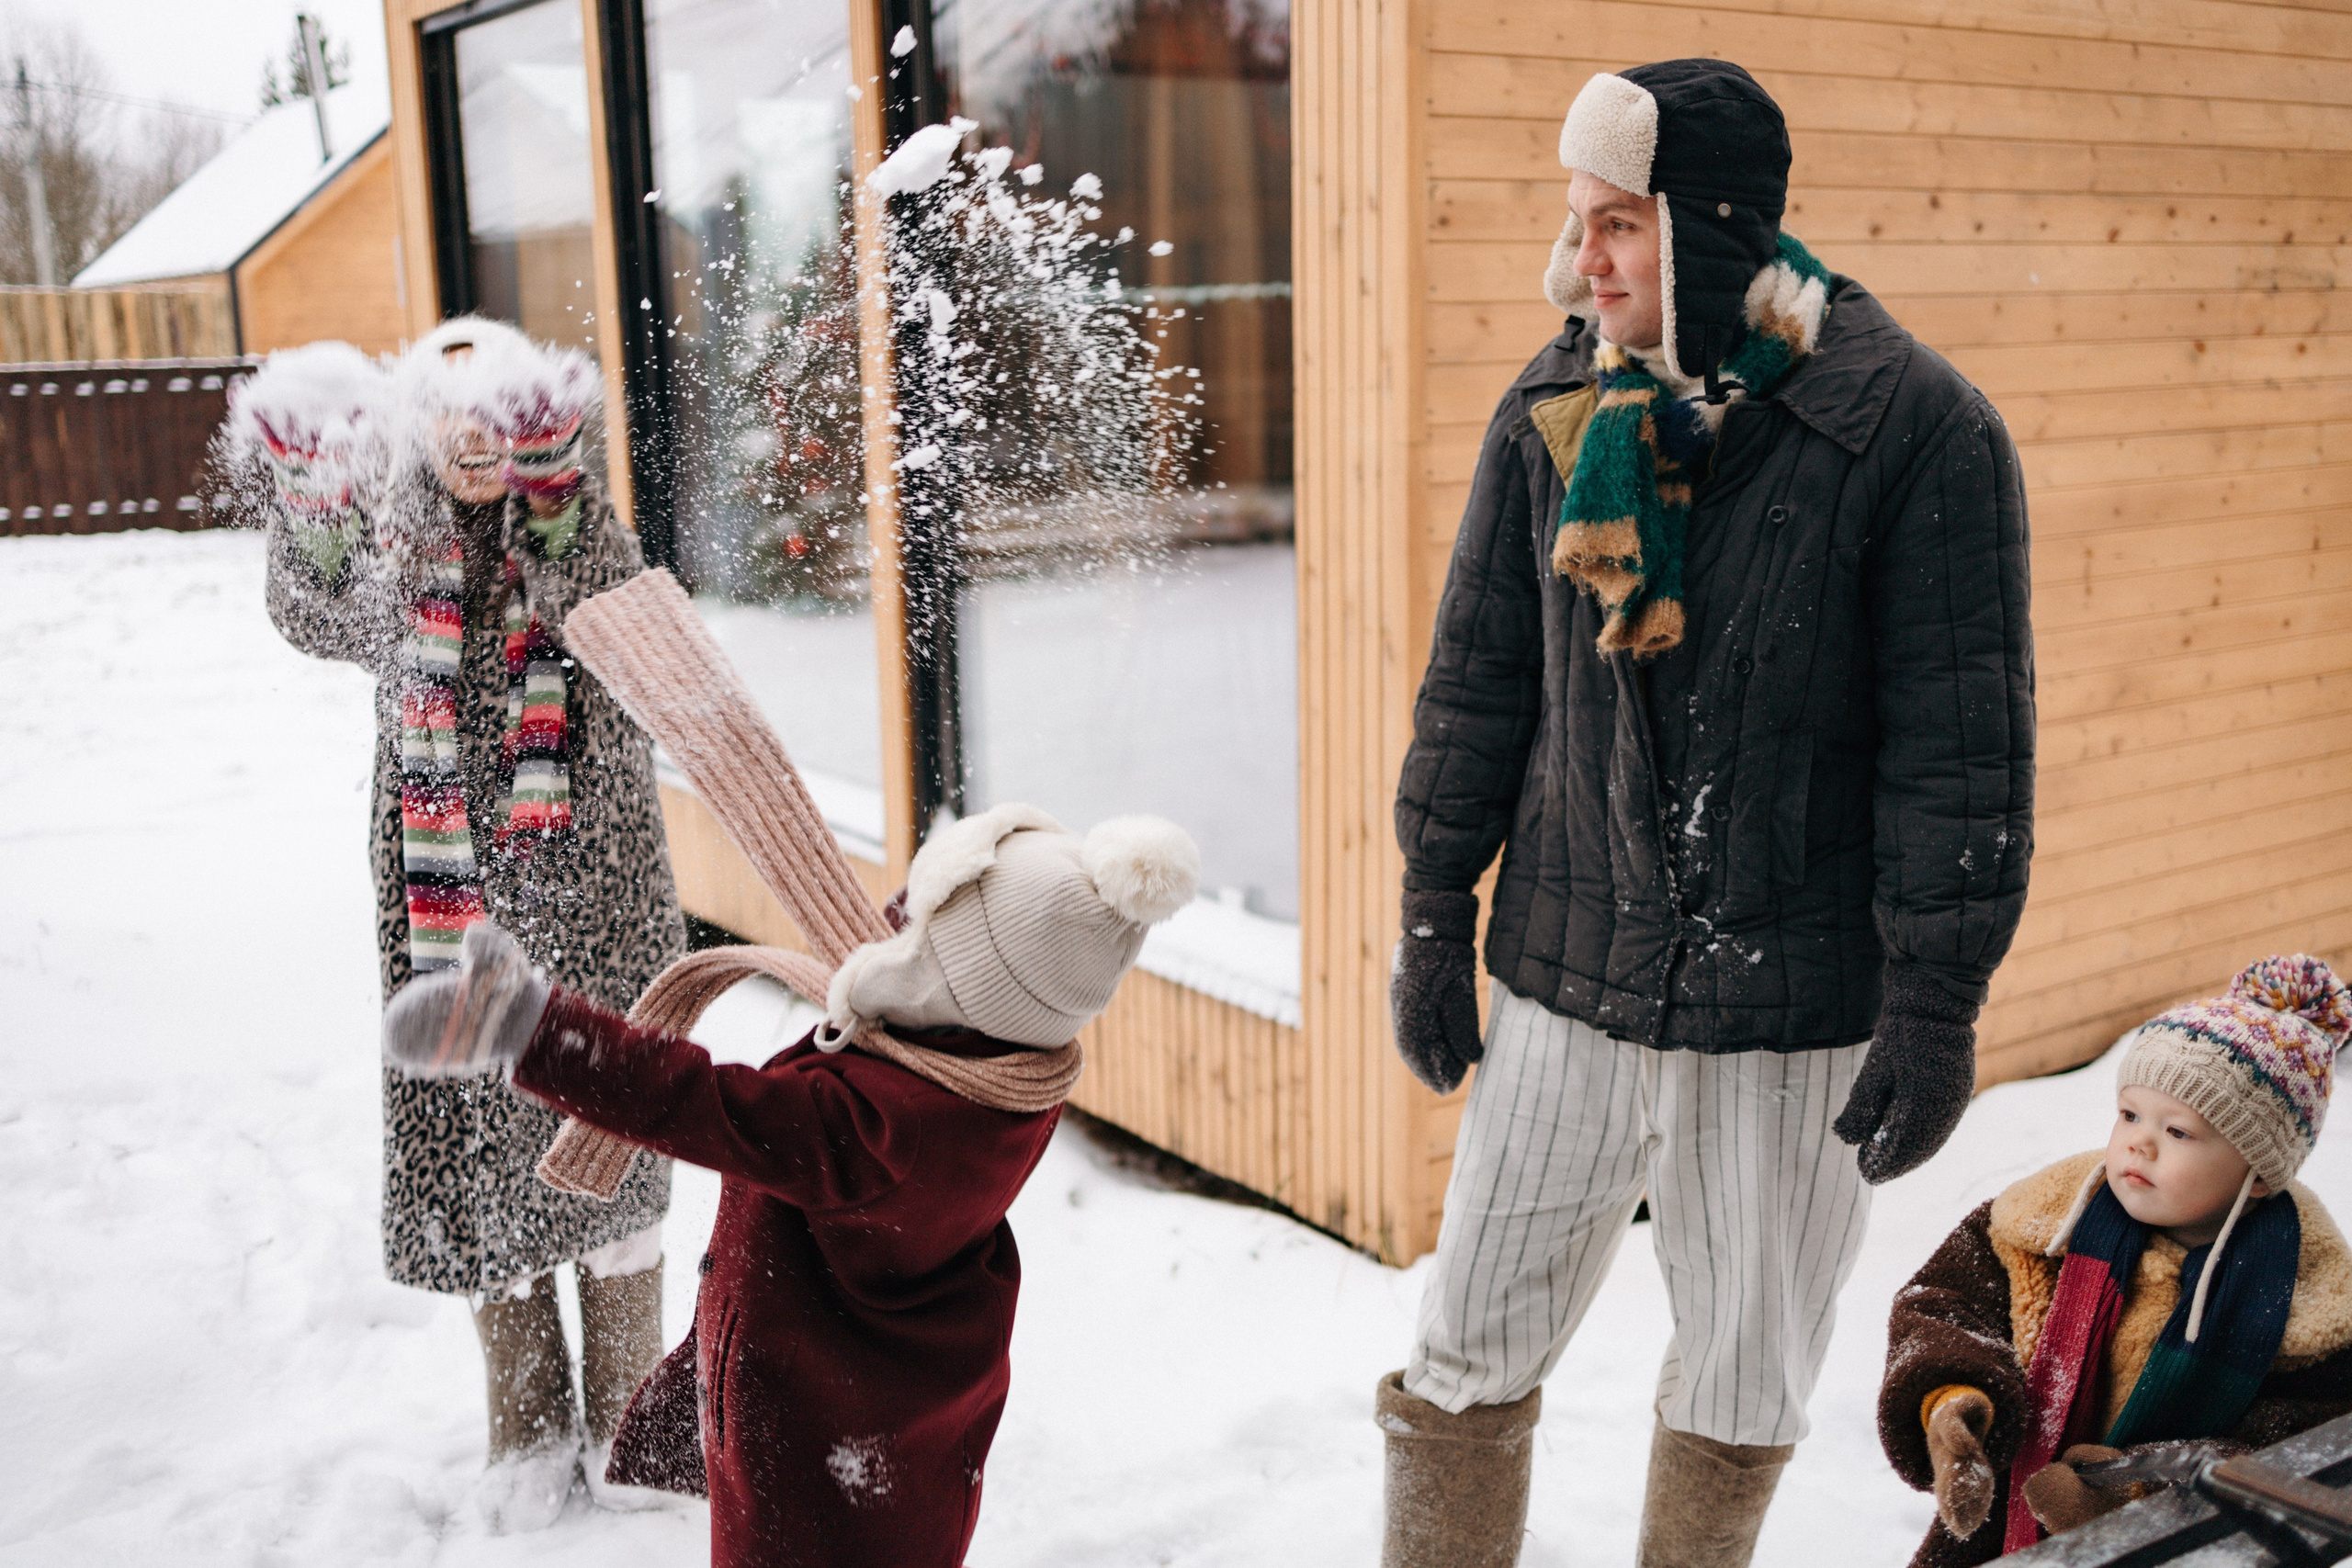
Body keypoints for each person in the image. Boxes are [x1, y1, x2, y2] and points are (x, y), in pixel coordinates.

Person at [1377, 59, 2036, 1567]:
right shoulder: (1555, 404)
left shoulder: (1914, 430)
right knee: (1466, 1344)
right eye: (1576, 217)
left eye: (1619, 222)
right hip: (1567, 967)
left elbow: (1960, 753)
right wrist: (1431, 904)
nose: (1582, 258)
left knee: (1744, 1376)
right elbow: (1479, 680)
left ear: (1713, 229)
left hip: (1791, 1006)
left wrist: (1935, 1002)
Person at [379, 804, 1202, 1568]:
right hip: (895, 1433)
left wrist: (532, 1028)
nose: (895, 929)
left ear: (963, 984)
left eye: (922, 928)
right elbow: (973, 970)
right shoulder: (1012, 1071)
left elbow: (696, 1103)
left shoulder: (878, 1127)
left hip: (814, 1456)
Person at [238, 320, 686, 1528]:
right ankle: (527, 1433)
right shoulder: (398, 546)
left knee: (607, 1142)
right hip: (452, 904)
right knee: (486, 1152)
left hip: (592, 889)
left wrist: (554, 486)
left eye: (498, 416)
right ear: (415, 429)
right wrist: (314, 497)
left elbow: (604, 600)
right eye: (451, 417)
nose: (475, 438)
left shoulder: (574, 527)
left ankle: (633, 1426)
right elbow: (323, 613)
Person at [1882, 954, 2352, 1564]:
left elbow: (2299, 1456)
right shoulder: (2046, 1223)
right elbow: (1944, 1305)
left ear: (2257, 1171)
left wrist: (2129, 1497)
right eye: (2130, 1114)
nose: (2139, 1143)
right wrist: (1953, 1398)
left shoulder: (2306, 1297)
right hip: (1998, 1534)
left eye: (2178, 1131)